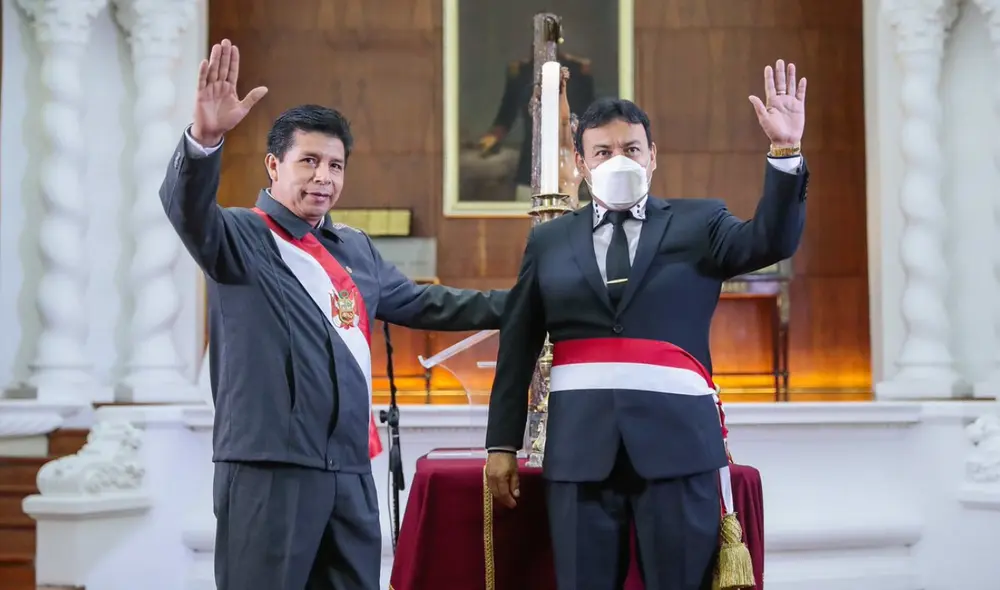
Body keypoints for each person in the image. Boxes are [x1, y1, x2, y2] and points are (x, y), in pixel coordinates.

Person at [162, 39, 507, 590]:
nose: (323, 176)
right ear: (274, 165)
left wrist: (523, 305)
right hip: (269, 467)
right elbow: (187, 209)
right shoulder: (238, 235)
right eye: (309, 161)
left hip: (349, 469)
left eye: (335, 165)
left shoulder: (356, 249)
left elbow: (427, 303)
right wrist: (204, 141)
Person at [484, 60, 809, 590]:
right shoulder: (549, 240)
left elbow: (771, 241)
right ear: (580, 163)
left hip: (679, 448)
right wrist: (501, 444)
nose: (619, 160)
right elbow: (518, 344)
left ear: (653, 156)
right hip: (580, 452)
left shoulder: (700, 222)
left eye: (631, 149)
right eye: (603, 152)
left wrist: (785, 151)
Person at [476, 49, 596, 201]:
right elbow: (506, 114)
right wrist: (491, 139)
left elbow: (589, 118)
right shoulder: (522, 73)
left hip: (570, 167)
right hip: (530, 167)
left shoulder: (578, 72)